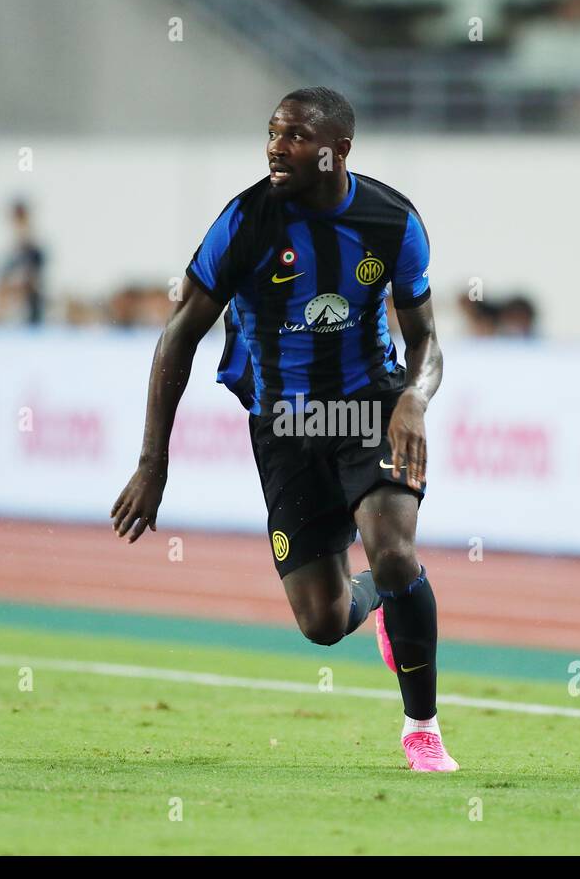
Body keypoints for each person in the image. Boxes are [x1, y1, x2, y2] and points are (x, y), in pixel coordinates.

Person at [111, 86, 456, 772]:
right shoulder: (245, 221)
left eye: (295, 135)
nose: (276, 146)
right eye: (272, 132)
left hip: (369, 410)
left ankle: (422, 728)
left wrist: (414, 399)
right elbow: (178, 337)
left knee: (391, 549)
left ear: (338, 150)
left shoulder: (392, 222)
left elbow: (426, 339)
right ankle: (383, 602)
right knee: (323, 622)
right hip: (286, 426)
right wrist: (154, 462)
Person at [0, 200, 46, 326]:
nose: (18, 226)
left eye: (21, 220)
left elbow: (32, 285)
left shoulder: (34, 253)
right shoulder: (10, 256)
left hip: (30, 321)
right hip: (10, 322)